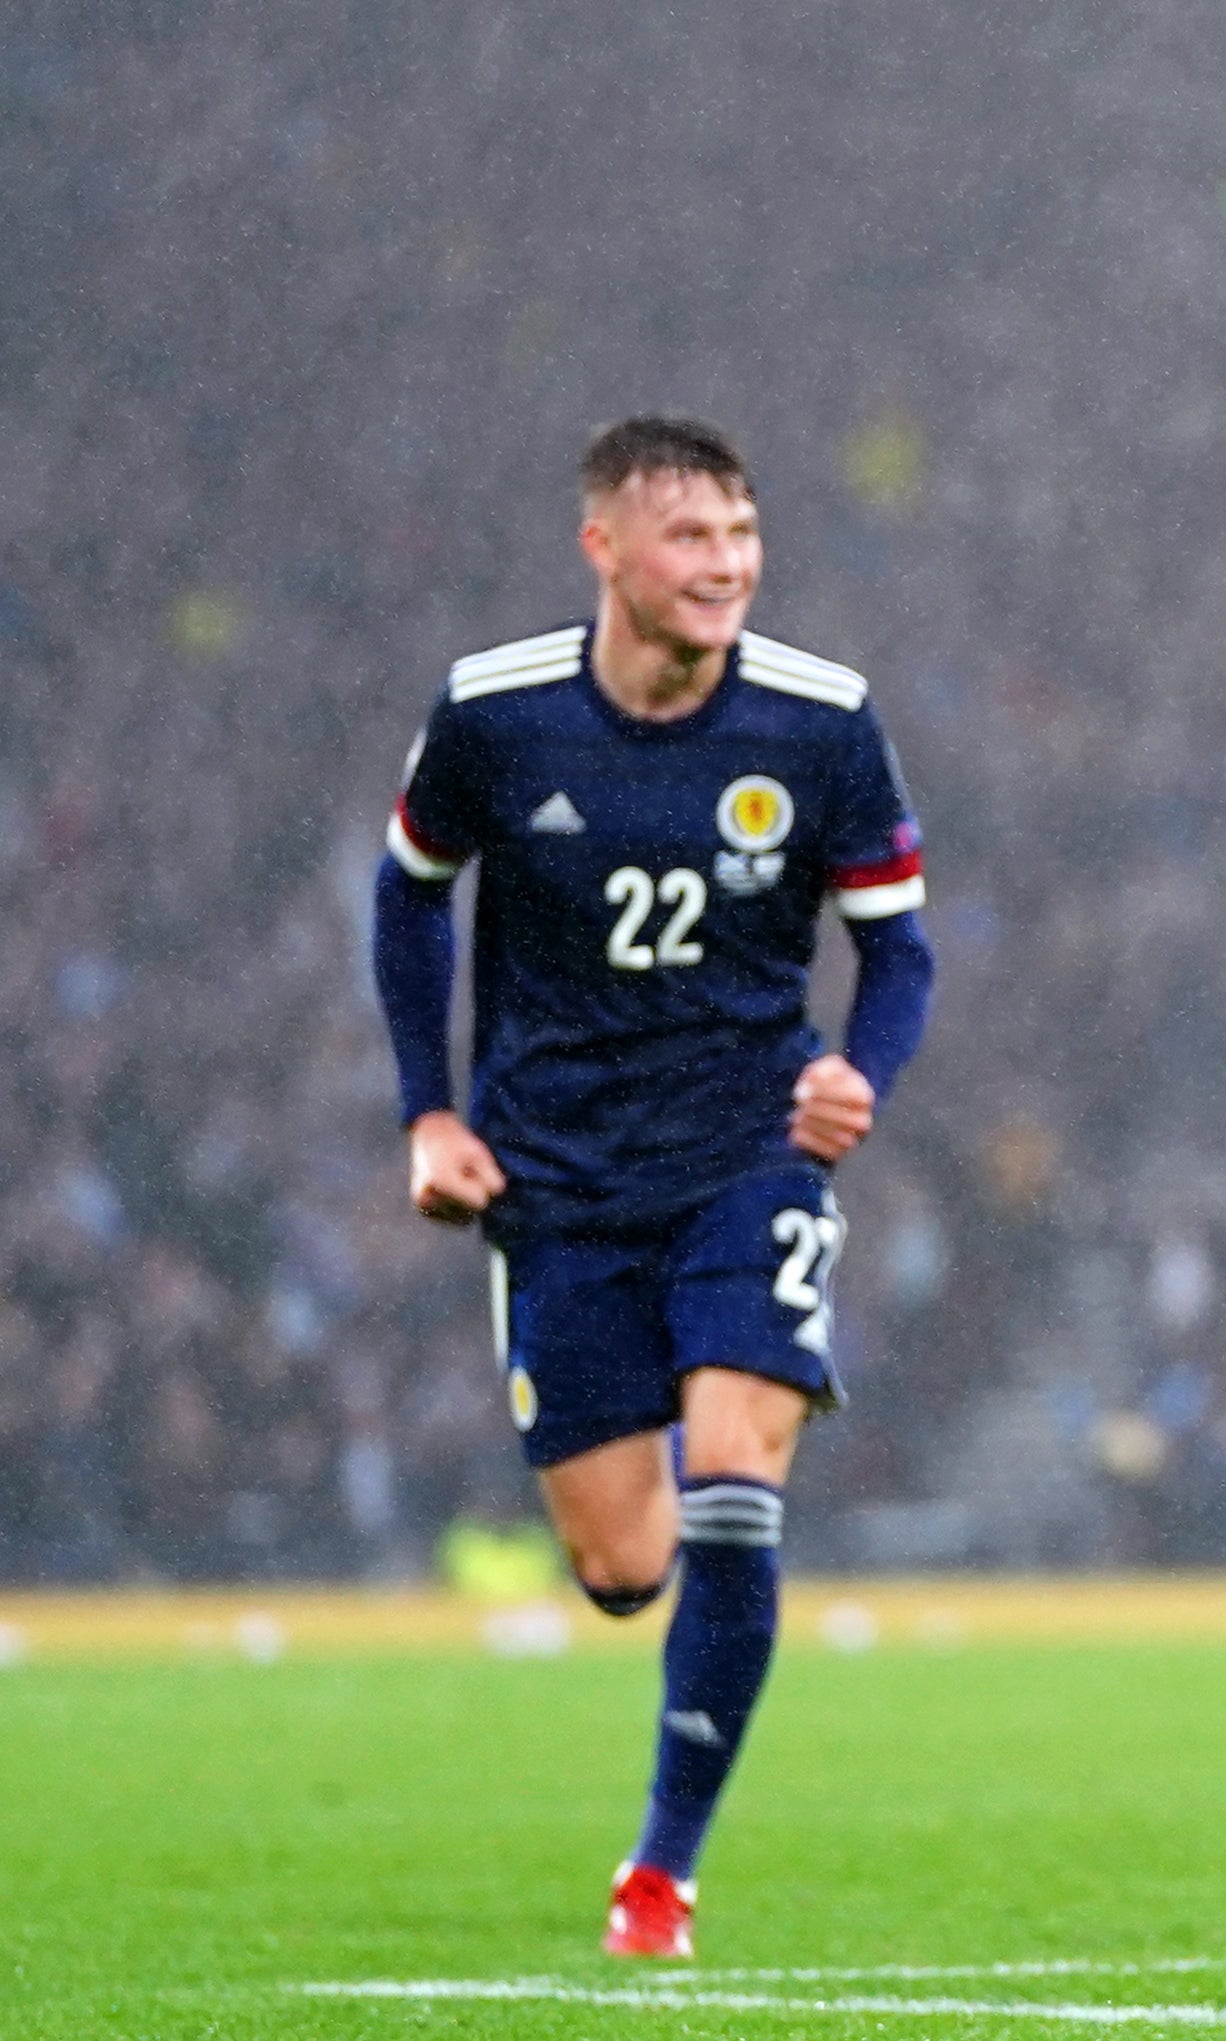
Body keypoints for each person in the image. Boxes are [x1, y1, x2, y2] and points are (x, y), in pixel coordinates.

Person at [370, 417, 936, 1959]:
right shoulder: (495, 714)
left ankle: (659, 1876)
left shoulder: (822, 720)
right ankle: (697, 1619)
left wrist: (858, 1074)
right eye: (692, 539)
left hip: (751, 1157)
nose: (727, 566)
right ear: (605, 548)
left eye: (743, 538)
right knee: (623, 1565)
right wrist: (429, 1115)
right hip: (554, 1176)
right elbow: (410, 901)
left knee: (736, 1470)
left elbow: (898, 946)